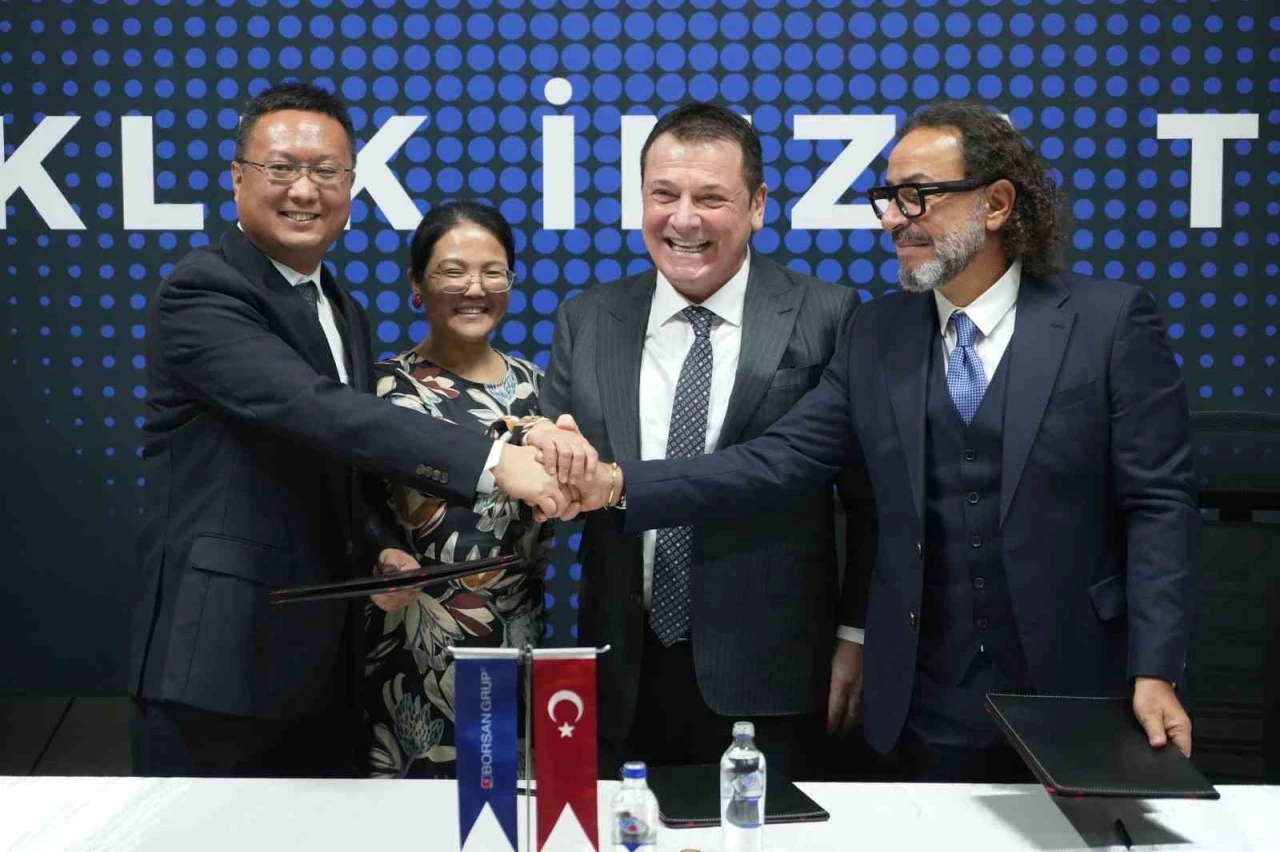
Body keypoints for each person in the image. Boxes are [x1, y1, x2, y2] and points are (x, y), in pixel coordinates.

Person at [568, 100, 1200, 783]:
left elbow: (1160, 504)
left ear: (995, 203)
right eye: (890, 198)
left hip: (1078, 681)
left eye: (917, 196)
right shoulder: (878, 332)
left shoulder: (1108, 322)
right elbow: (780, 459)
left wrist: (1156, 667)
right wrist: (618, 484)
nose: (895, 218)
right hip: (926, 698)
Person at [130, 83, 568, 777]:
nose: (305, 189)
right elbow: (311, 408)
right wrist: (493, 462)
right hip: (220, 662)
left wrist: (381, 545)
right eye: (282, 168)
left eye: (327, 171)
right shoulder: (203, 291)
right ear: (238, 177)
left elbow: (333, 460)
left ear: (352, 187)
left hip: (329, 669)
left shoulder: (340, 306)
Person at [529, 102, 864, 779]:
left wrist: (855, 636)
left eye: (711, 198)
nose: (683, 220)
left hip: (770, 672)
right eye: (664, 195)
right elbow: (553, 471)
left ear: (758, 205)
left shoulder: (827, 314)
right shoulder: (586, 318)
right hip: (621, 670)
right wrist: (541, 455)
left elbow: (865, 499)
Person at [363, 201, 551, 778]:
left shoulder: (543, 390)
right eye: (452, 271)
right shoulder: (381, 391)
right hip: (408, 647)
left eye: (493, 272)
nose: (475, 288)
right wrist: (378, 555)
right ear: (417, 284)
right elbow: (351, 505)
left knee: (509, 809)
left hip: (516, 643)